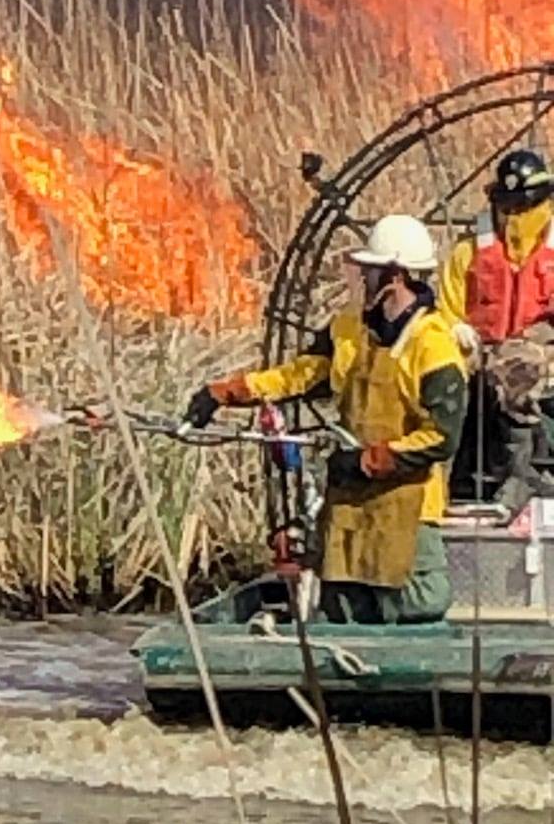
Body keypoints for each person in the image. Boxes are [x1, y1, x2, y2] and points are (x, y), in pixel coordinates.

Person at [185, 214, 467, 624]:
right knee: (342, 601)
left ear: (395, 277)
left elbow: (442, 437)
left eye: (371, 271)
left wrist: (369, 461)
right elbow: (299, 376)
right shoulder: (348, 329)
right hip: (350, 499)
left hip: (410, 503)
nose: (363, 279)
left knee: (423, 600)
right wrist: (226, 393)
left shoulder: (434, 346)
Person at [440, 148, 554, 501]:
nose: (515, 215)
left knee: (519, 370)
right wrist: (456, 330)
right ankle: (456, 480)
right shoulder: (469, 251)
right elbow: (447, 307)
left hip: (540, 359)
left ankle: (523, 473)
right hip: (478, 354)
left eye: (523, 206)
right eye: (508, 206)